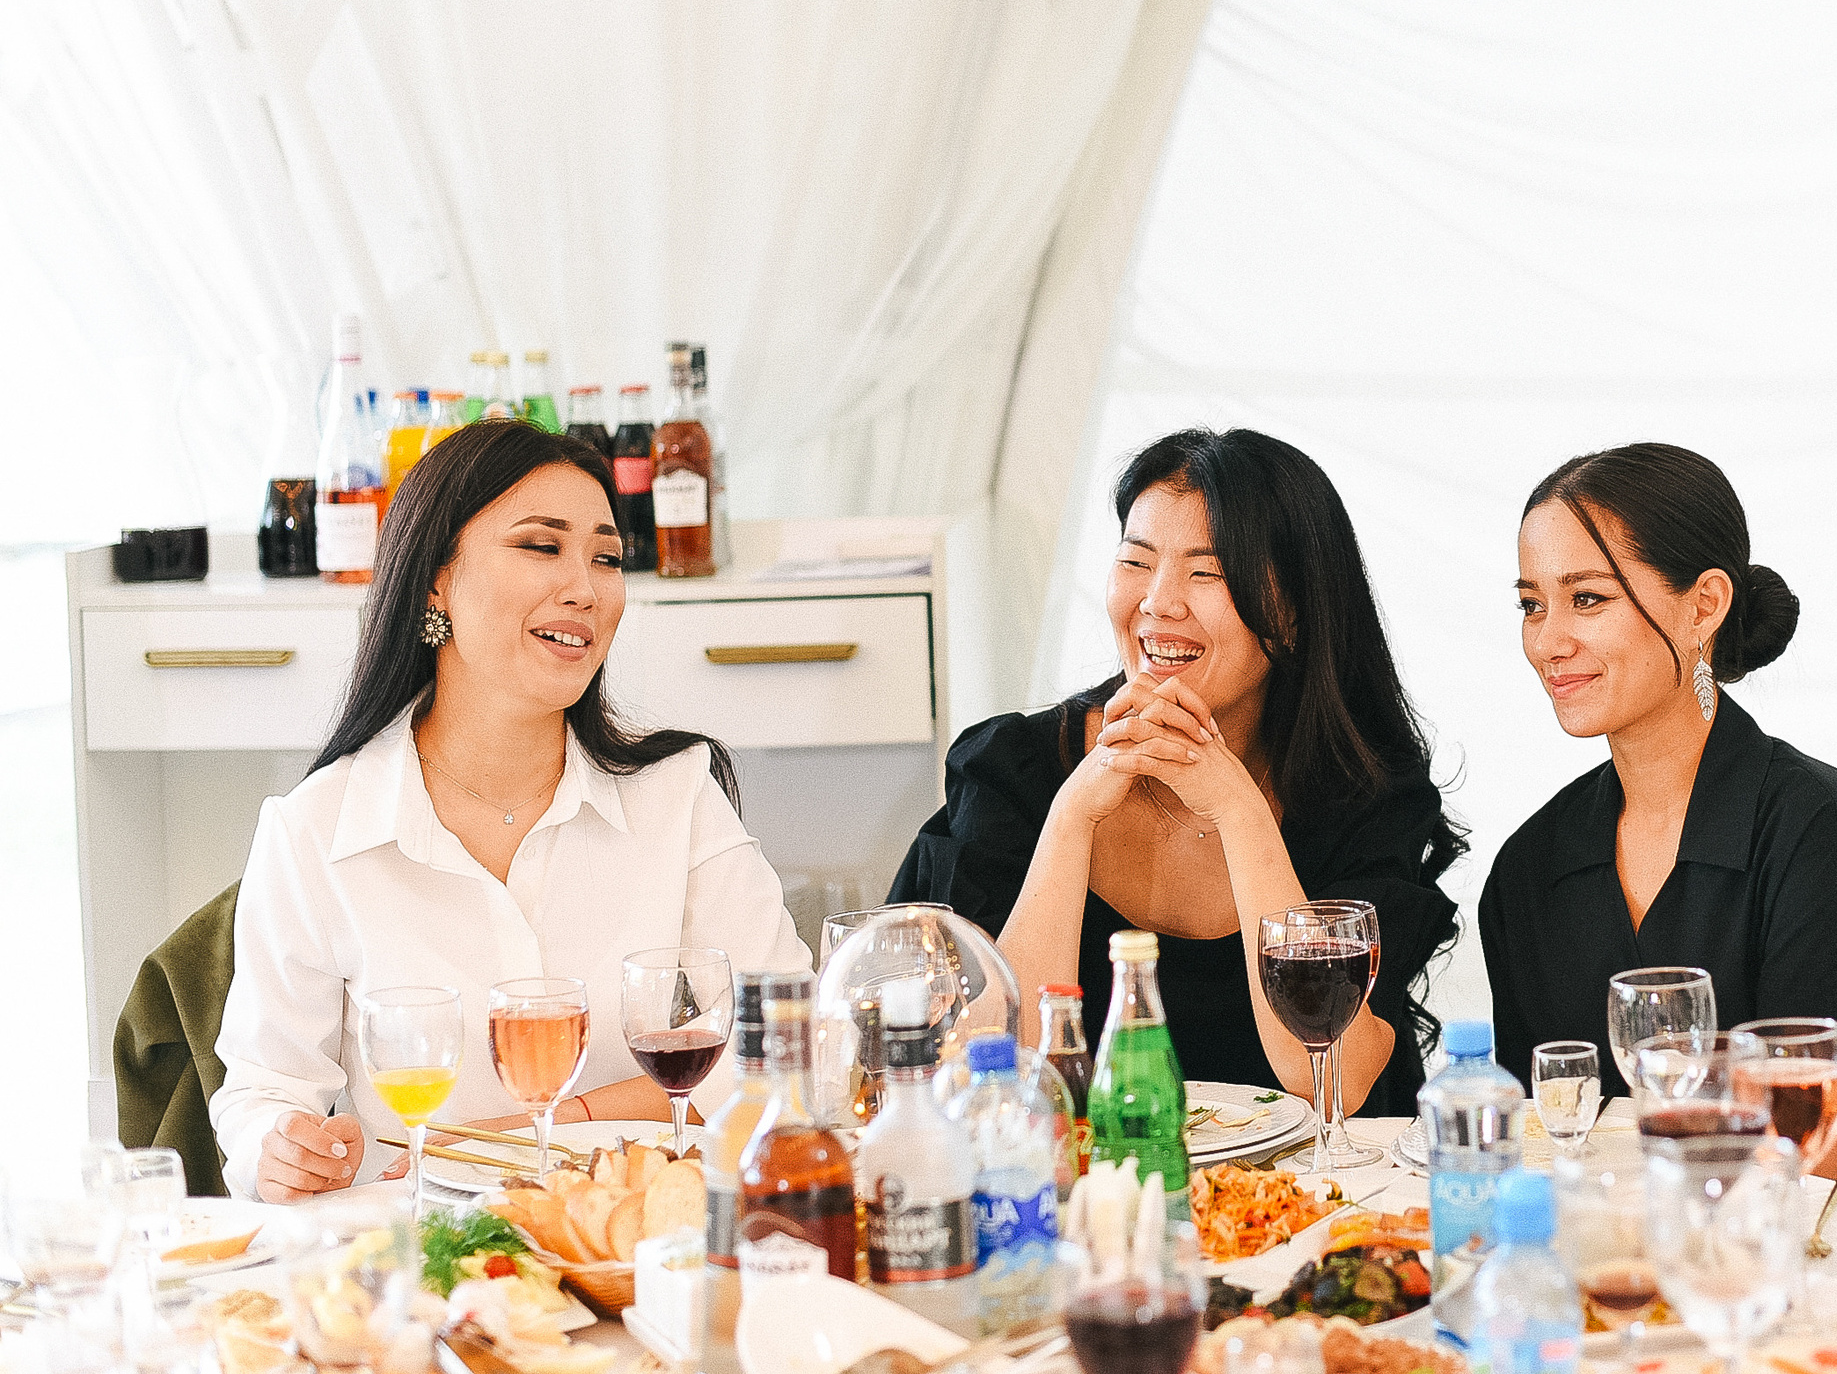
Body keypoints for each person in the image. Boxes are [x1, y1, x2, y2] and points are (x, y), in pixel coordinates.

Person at [210, 420, 808, 1202]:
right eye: (540, 546)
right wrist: (281, 1148)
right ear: (435, 579)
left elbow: (788, 1043)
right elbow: (261, 1095)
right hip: (434, 1266)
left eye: (605, 556)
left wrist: (540, 1138)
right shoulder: (316, 831)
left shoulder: (678, 795)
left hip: (642, 1244)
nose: (586, 588)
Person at [890, 428, 1464, 1115]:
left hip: (1317, 1209)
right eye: (1137, 561)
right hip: (1082, 1206)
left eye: (1206, 571)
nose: (1158, 601)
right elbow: (1002, 1080)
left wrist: (1238, 808)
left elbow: (1326, 1075)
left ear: (1290, 615)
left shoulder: (1367, 793)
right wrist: (1071, 818)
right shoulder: (1012, 770)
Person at [1479, 444, 1837, 1182]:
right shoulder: (1531, 868)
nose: (1548, 641)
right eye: (1531, 604)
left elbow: (1825, 1149)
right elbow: (1532, 1139)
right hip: (1624, 1266)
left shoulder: (1820, 831)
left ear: (1704, 604)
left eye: (1588, 598)